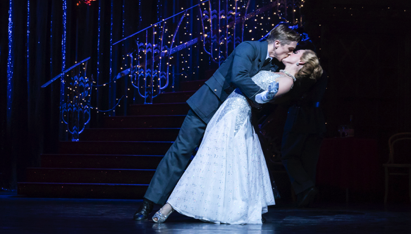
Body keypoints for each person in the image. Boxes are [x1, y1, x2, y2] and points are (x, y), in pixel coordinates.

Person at [133, 23, 301, 220]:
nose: (290, 54)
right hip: (208, 107)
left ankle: (216, 208)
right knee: (181, 151)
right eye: (290, 49)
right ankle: (149, 203)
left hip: (231, 116)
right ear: (278, 43)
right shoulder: (248, 47)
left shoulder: (272, 65)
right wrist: (259, 96)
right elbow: (238, 76)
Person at [152, 50, 323, 224]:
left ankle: (169, 207)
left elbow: (261, 100)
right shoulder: (278, 72)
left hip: (236, 117)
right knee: (214, 159)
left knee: (207, 158)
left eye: (297, 52)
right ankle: (206, 205)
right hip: (228, 110)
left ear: (300, 63)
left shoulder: (287, 81)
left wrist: (266, 95)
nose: (292, 52)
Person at [281, 68, 328, 208]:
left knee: (288, 155)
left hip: (299, 116)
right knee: (309, 159)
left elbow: (293, 93)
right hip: (317, 117)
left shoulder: (301, 72)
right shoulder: (321, 72)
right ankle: (306, 197)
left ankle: (306, 188)